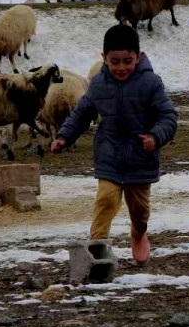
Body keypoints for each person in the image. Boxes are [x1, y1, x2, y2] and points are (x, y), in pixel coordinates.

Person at [50, 24, 178, 265]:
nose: (121, 68)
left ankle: (138, 231)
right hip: (109, 154)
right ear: (104, 58)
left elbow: (168, 116)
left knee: (140, 211)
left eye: (127, 61)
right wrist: (64, 137)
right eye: (115, 61)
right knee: (106, 200)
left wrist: (155, 136)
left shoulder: (151, 83)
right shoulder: (98, 83)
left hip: (141, 159)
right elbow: (82, 113)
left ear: (138, 57)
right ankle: (97, 246)